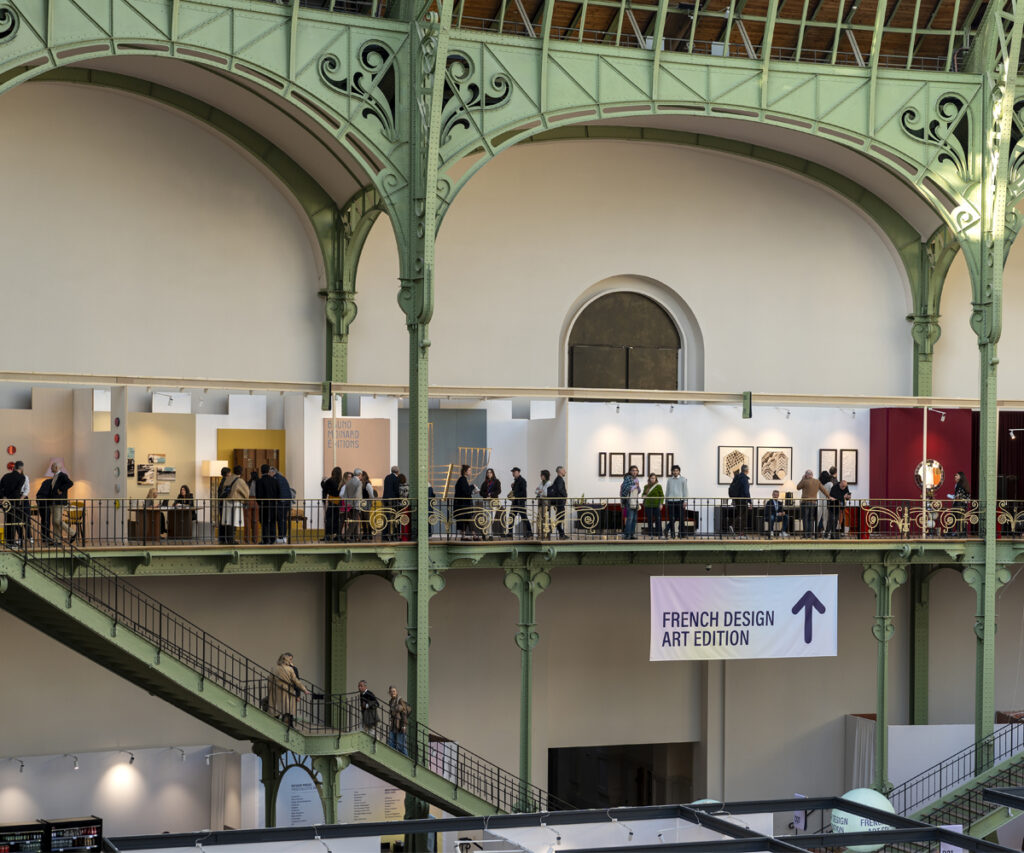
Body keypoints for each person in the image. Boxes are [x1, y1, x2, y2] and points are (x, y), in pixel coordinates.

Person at [36, 462, 73, 543]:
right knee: (54, 522)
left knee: (57, 521)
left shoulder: (63, 475)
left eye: (52, 466)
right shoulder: (55, 476)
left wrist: (61, 489)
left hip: (59, 502)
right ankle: (57, 540)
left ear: (56, 467)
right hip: (54, 502)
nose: (51, 468)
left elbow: (70, 483)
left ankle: (72, 533)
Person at [267, 652, 307, 728]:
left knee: (277, 707)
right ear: (287, 660)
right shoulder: (290, 669)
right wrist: (304, 689)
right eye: (290, 660)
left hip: (277, 690)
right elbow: (296, 681)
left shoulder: (274, 668)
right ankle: (288, 725)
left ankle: (275, 723)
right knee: (287, 708)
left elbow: (270, 680)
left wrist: (270, 691)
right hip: (288, 691)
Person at [796, 469, 830, 538]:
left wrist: (802, 479)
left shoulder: (804, 481)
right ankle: (811, 534)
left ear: (806, 475)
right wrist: (829, 496)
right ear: (812, 475)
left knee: (805, 519)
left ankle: (805, 535)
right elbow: (823, 490)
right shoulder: (817, 481)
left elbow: (798, 487)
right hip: (814, 503)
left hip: (805, 502)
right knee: (811, 519)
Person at [0, 460, 27, 546]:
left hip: (5, 502)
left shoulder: (6, 476)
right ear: (21, 468)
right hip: (14, 502)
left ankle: (8, 540)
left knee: (7, 520)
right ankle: (12, 541)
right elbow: (17, 490)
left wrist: (4, 497)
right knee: (14, 521)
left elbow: (0, 488)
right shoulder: (22, 477)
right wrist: (17, 499)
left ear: (14, 467)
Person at [256, 464, 279, 544]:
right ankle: (272, 539)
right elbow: (278, 493)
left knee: (264, 523)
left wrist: (260, 503)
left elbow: (258, 495)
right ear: (269, 470)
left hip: (264, 505)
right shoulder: (274, 480)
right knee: (272, 522)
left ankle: (265, 540)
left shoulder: (259, 481)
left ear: (261, 471)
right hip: (273, 505)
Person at [664, 464, 689, 538]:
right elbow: (667, 491)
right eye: (674, 471)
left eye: (677, 470)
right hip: (671, 501)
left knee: (681, 518)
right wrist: (666, 501)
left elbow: (685, 491)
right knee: (671, 518)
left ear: (679, 471)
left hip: (680, 501)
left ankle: (680, 533)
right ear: (672, 472)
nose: (675, 472)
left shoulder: (683, 479)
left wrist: (685, 501)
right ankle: (672, 534)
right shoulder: (669, 480)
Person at [387, 685, 412, 755]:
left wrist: (404, 726)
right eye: (391, 692)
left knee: (401, 746)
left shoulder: (400, 700)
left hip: (400, 725)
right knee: (391, 744)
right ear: (389, 693)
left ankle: (406, 760)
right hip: (393, 725)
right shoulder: (391, 701)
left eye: (394, 691)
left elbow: (404, 713)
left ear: (396, 692)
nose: (392, 693)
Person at [454, 464, 476, 539]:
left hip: (462, 505)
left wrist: (472, 491)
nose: (470, 472)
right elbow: (466, 492)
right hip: (463, 505)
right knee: (469, 519)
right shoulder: (462, 480)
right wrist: (473, 486)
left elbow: (465, 492)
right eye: (469, 470)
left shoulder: (462, 479)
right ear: (465, 471)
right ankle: (474, 536)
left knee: (465, 520)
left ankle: (464, 536)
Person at [270, 466, 291, 544]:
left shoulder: (275, 478)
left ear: (273, 472)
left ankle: (281, 537)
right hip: (287, 501)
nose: (269, 474)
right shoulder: (283, 477)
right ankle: (283, 537)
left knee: (280, 520)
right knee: (283, 520)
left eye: (269, 473)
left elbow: (276, 491)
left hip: (280, 502)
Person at [478, 468, 501, 539]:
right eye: (488, 472)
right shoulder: (484, 483)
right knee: (486, 518)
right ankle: (487, 534)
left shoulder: (497, 481)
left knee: (491, 519)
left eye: (490, 472)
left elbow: (498, 491)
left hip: (493, 502)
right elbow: (481, 492)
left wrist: (491, 494)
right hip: (486, 502)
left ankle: (487, 533)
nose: (489, 474)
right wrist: (487, 495)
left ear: (493, 473)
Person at [509, 467, 532, 538]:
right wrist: (512, 487)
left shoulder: (522, 480)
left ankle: (529, 531)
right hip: (515, 503)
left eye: (514, 472)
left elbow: (523, 492)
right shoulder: (516, 481)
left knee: (524, 517)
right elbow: (516, 491)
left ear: (518, 472)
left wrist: (515, 496)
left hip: (520, 502)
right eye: (513, 472)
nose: (513, 473)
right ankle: (510, 532)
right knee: (511, 517)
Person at [728, 464, 751, 535]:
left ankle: (741, 531)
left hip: (737, 499)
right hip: (743, 500)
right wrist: (750, 501)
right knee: (743, 515)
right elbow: (746, 491)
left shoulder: (737, 477)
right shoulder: (744, 479)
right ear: (747, 471)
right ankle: (733, 526)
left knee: (740, 514)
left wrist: (733, 499)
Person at [321, 466, 343, 542]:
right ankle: (337, 535)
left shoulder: (330, 480)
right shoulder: (341, 481)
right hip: (339, 502)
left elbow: (324, 488)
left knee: (329, 519)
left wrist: (323, 481)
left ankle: (327, 535)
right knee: (337, 519)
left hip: (331, 501)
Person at [620, 465, 640, 540]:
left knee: (634, 519)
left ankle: (632, 534)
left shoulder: (637, 479)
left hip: (635, 501)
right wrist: (635, 486)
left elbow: (639, 491)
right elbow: (625, 489)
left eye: (636, 470)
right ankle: (627, 535)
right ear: (630, 471)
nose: (635, 472)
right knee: (630, 518)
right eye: (633, 470)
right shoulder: (627, 478)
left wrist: (637, 486)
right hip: (629, 501)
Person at [342, 468, 363, 541]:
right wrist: (358, 503)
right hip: (356, 504)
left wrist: (348, 503)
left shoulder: (349, 482)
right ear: (360, 474)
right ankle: (346, 535)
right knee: (355, 520)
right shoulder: (359, 483)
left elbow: (344, 495)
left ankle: (356, 537)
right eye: (361, 475)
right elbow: (357, 495)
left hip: (349, 504)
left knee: (353, 520)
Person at [381, 465, 401, 541]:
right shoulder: (396, 478)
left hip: (385, 500)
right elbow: (396, 491)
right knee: (393, 518)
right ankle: (393, 535)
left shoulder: (387, 477)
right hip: (392, 501)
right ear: (397, 472)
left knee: (386, 517)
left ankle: (384, 535)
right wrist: (399, 499)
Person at [642, 473, 664, 537]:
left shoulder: (658, 486)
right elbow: (643, 494)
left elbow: (662, 496)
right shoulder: (646, 486)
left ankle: (659, 533)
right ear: (649, 479)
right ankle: (650, 533)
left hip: (657, 505)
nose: (653, 479)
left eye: (654, 478)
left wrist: (661, 504)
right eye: (651, 478)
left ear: (656, 479)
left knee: (658, 519)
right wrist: (643, 496)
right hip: (648, 505)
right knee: (649, 520)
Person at [549, 465, 568, 539]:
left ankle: (561, 533)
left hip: (558, 502)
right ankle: (561, 533)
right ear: (560, 471)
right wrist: (565, 495)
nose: (565, 471)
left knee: (560, 517)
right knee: (560, 517)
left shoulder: (557, 479)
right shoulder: (559, 479)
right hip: (560, 502)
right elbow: (560, 489)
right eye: (564, 470)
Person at [950, 471, 970, 536]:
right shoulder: (965, 484)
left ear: (960, 477)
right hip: (963, 505)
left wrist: (951, 496)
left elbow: (958, 495)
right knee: (961, 518)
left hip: (958, 504)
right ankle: (961, 532)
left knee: (953, 517)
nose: (955, 476)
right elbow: (967, 496)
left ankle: (950, 532)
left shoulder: (959, 484)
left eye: (957, 475)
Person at [359, 470, 375, 541]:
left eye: (360, 475)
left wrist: (370, 502)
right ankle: (365, 533)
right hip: (361, 503)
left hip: (366, 502)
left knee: (366, 518)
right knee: (363, 519)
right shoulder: (361, 483)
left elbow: (371, 495)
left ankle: (369, 534)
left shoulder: (368, 484)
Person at [535, 469, 551, 537]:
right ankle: (539, 532)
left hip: (545, 502)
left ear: (544, 476)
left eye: (541, 475)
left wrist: (540, 492)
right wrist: (540, 491)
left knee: (545, 517)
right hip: (540, 502)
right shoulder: (541, 483)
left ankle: (545, 533)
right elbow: (536, 491)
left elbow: (546, 493)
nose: (540, 476)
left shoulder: (549, 483)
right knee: (539, 517)